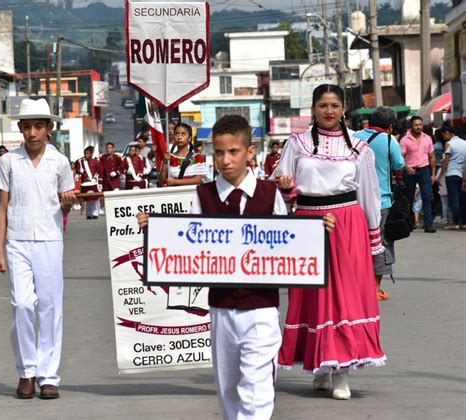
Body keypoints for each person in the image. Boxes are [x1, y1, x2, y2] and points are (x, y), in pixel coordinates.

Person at [137, 114, 336, 418]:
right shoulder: (203, 196)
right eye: (219, 152)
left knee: (256, 391)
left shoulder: (270, 196)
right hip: (221, 309)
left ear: (250, 152)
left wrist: (317, 230)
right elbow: (187, 242)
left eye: (233, 152)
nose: (225, 160)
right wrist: (156, 229)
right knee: (229, 389)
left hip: (261, 309)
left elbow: (288, 242)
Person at [273, 84, 386, 400]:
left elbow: (369, 194)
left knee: (343, 299)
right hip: (307, 222)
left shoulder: (360, 149)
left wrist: (374, 237)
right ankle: (321, 367)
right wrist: (286, 188)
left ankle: (341, 372)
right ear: (312, 108)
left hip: (347, 224)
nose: (329, 111)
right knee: (312, 298)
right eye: (323, 105)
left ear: (344, 109)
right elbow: (282, 190)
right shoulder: (296, 144)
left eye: (335, 105)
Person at [0, 98, 75, 400]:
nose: (33, 133)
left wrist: (68, 202)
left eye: (39, 126)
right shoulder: (8, 162)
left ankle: (48, 376)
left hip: (51, 240)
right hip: (17, 241)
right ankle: (26, 371)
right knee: (23, 305)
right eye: (27, 127)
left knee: (51, 308)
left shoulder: (60, 162)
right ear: (20, 129)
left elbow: (67, 199)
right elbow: (1, 209)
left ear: (49, 128)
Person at [353, 106, 405, 301]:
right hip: (381, 200)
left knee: (357, 243)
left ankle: (356, 285)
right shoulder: (389, 140)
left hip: (353, 200)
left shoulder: (355, 136)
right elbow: (399, 165)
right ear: (390, 126)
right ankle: (375, 288)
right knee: (381, 242)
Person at [400, 116, 437, 233]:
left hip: (424, 169)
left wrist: (433, 174)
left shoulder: (428, 139)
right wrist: (406, 167)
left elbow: (432, 157)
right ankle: (409, 224)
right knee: (409, 198)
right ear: (411, 125)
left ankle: (428, 225)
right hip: (410, 171)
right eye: (416, 125)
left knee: (426, 196)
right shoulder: (405, 140)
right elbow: (400, 158)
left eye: (420, 124)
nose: (418, 127)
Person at [158, 122, 206, 187]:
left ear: (189, 138)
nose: (179, 137)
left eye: (183, 134)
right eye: (177, 134)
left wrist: (175, 182)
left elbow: (198, 180)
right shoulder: (169, 157)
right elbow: (162, 182)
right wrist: (165, 163)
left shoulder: (197, 157)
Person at [438, 125, 466, 230]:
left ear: (448, 133)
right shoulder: (465, 143)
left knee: (454, 199)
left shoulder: (449, 144)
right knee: (463, 199)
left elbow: (446, 161)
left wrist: (440, 176)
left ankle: (455, 222)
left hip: (451, 174)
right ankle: (463, 221)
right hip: (463, 174)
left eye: (443, 135)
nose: (444, 137)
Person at [75, 146, 102, 220]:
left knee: (95, 198)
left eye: (87, 153)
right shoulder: (81, 162)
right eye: (85, 153)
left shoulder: (95, 161)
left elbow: (100, 171)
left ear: (91, 154)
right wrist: (79, 170)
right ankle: (89, 214)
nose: (86, 155)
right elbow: (77, 171)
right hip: (85, 182)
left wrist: (100, 183)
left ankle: (95, 213)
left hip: (93, 182)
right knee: (88, 199)